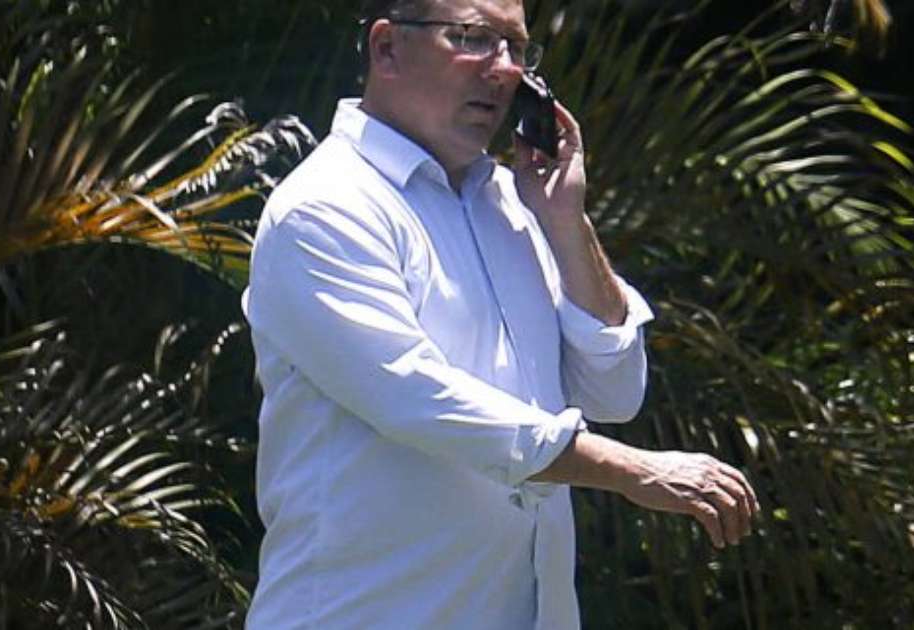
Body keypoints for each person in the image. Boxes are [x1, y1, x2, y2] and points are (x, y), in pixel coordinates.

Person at [240, 0, 760, 627]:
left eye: (517, 47)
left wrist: (567, 223)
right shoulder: (324, 208)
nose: (506, 68)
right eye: (475, 38)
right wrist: (633, 470)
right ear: (387, 47)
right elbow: (418, 398)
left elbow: (616, 390)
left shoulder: (519, 205)